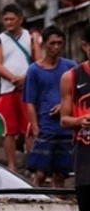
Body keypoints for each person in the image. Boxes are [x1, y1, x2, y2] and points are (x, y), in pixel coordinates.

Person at [23, 26, 76, 188]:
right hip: (46, 127)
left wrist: (64, 106)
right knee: (40, 173)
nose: (56, 47)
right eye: (52, 43)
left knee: (61, 174)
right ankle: (36, 205)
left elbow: (79, 94)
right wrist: (35, 129)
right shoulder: (34, 71)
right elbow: (29, 101)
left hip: (65, 127)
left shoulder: (70, 67)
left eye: (60, 43)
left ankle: (59, 208)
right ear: (44, 44)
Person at [0, 3, 41, 171]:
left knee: (29, 128)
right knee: (9, 130)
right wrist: (13, 78)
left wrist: (26, 78)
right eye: (5, 19)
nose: (9, 22)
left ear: (21, 19)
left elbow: (38, 62)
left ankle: (31, 165)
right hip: (7, 89)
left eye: (12, 19)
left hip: (28, 89)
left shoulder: (32, 37)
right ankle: (11, 166)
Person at [60, 22, 90, 211]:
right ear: (84, 46)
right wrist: (81, 121)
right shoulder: (71, 77)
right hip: (85, 152)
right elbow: (64, 119)